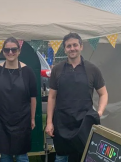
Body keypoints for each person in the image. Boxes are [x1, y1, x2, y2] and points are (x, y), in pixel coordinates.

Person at [45, 33, 108, 162]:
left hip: (84, 123)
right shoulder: (57, 70)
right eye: (68, 46)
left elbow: (103, 93)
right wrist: (49, 122)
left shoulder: (92, 69)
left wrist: (99, 112)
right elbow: (51, 97)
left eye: (75, 45)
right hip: (62, 123)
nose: (72, 48)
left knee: (84, 156)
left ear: (81, 46)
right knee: (61, 157)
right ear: (65, 48)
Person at [0, 37, 37, 162]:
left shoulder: (28, 72)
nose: (10, 53)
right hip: (1, 120)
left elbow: (33, 98)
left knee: (22, 156)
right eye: (7, 50)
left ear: (19, 51)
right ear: (3, 52)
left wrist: (32, 118)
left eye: (13, 49)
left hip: (22, 120)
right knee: (5, 156)